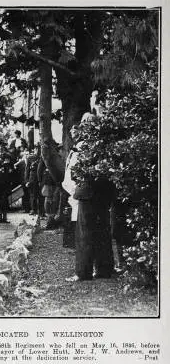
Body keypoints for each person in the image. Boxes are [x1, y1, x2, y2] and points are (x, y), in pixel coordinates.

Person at [63, 115, 114, 281]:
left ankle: (83, 272)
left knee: (85, 234)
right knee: (103, 231)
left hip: (86, 193)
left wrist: (75, 190)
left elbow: (73, 172)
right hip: (103, 193)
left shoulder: (81, 147)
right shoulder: (104, 144)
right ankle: (104, 270)